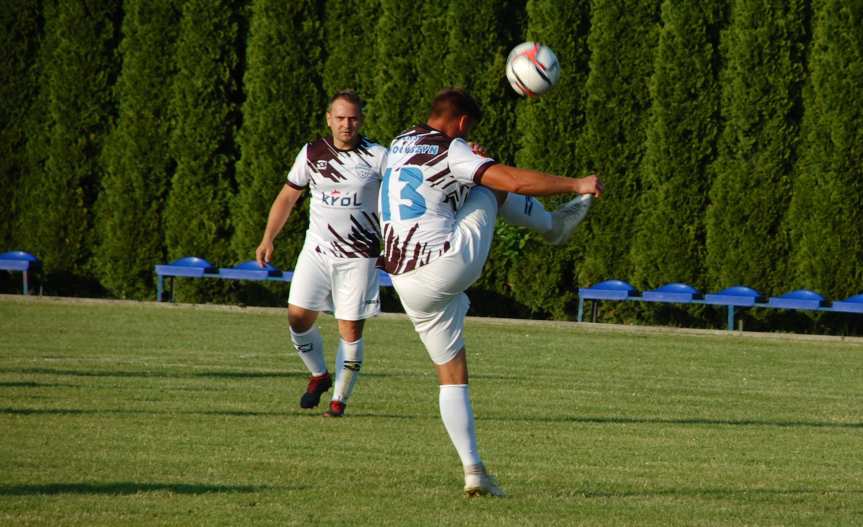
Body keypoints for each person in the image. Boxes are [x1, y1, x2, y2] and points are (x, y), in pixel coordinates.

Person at [379, 88, 603, 496]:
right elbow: (513, 180)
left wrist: (469, 163)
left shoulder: (399, 143)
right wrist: (576, 182)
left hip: (404, 280)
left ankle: (474, 471)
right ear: (462, 123)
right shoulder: (454, 148)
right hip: (445, 261)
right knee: (492, 185)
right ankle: (554, 228)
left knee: (452, 375)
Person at [256, 90, 387, 418]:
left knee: (350, 329)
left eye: (353, 118)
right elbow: (288, 197)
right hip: (317, 251)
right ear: (329, 119)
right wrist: (268, 237)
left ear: (362, 120)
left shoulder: (379, 157)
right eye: (340, 118)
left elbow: (409, 187)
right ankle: (319, 374)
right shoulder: (313, 152)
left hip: (359, 255)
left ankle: (338, 401)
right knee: (297, 319)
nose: (347, 124)